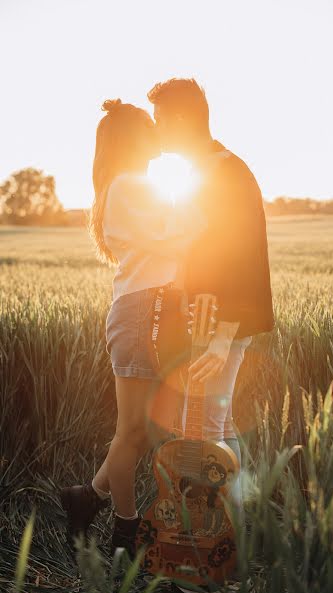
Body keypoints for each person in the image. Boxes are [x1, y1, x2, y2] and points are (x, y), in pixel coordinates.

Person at [59, 98, 208, 558]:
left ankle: (86, 499)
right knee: (130, 433)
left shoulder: (133, 185)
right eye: (149, 128)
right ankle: (125, 534)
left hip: (149, 308)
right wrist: (203, 217)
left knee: (139, 432)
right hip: (145, 309)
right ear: (133, 138)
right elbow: (168, 237)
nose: (157, 136)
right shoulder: (128, 185)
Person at [147, 78, 274, 514]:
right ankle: (236, 540)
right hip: (204, 323)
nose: (156, 130)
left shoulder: (227, 174)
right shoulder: (204, 172)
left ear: (181, 120)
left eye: (160, 120)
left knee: (204, 433)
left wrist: (222, 338)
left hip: (221, 323)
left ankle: (204, 566)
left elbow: (242, 260)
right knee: (212, 428)